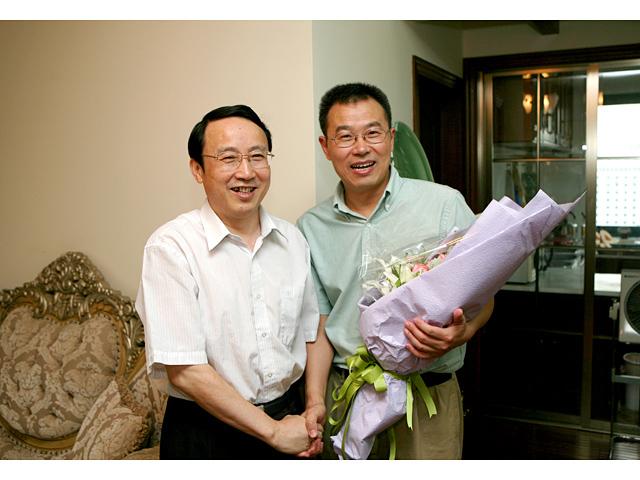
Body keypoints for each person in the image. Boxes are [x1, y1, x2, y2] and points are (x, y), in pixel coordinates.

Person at [297, 83, 495, 459]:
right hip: (346, 396)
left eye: (372, 133)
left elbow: (483, 296)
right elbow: (320, 322)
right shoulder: (310, 227)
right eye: (345, 136)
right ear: (326, 146)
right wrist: (314, 400)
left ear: (390, 138)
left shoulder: (444, 205)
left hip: (426, 397)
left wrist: (464, 332)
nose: (361, 148)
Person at [135, 105, 325, 459]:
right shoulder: (171, 247)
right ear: (197, 169)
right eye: (228, 158)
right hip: (206, 432)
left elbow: (311, 330)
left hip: (290, 417)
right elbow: (185, 371)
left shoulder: (292, 240)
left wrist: (314, 404)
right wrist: (273, 432)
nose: (246, 171)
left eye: (257, 156)